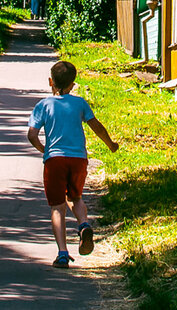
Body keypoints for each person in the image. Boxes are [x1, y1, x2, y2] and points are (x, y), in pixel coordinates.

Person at [26, 60, 119, 268]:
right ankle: (84, 224)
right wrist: (111, 144)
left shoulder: (43, 105)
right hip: (78, 159)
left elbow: (32, 135)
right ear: (73, 84)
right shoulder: (80, 104)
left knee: (57, 207)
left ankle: (62, 253)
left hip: (55, 160)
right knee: (75, 197)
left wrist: (44, 150)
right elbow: (97, 127)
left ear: (51, 81)